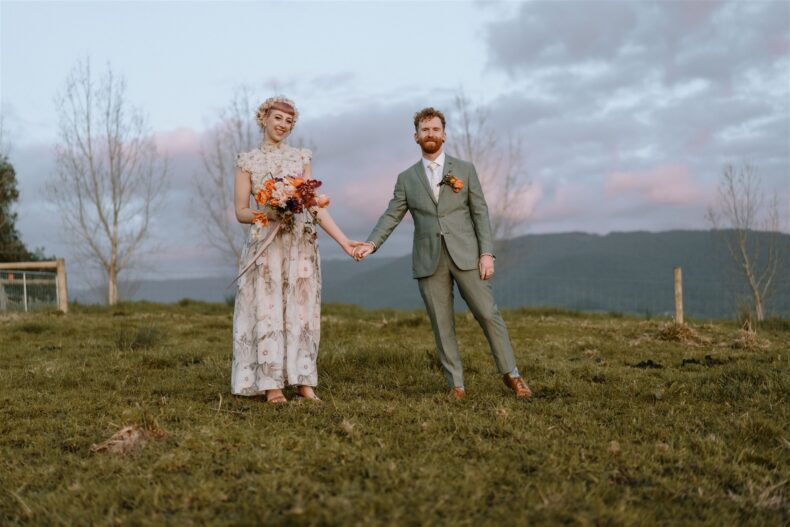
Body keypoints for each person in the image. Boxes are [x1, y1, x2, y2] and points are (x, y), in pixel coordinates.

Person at [354, 107, 532, 400]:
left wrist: (487, 253)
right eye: (425, 130)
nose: (430, 134)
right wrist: (371, 244)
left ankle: (512, 375)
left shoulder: (465, 170)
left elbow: (480, 213)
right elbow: (391, 215)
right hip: (429, 260)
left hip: (468, 256)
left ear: (444, 135)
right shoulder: (406, 178)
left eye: (435, 129)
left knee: (488, 314)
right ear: (416, 137)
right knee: (441, 323)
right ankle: (456, 385)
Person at [231, 96, 358, 403]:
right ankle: (271, 384)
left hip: (300, 243)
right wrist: (269, 212)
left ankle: (303, 381)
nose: (283, 125)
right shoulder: (247, 162)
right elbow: (241, 212)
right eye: (278, 118)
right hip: (267, 244)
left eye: (289, 121)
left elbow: (313, 205)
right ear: (264, 119)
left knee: (301, 310)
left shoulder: (300, 158)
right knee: (268, 309)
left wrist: (344, 241)